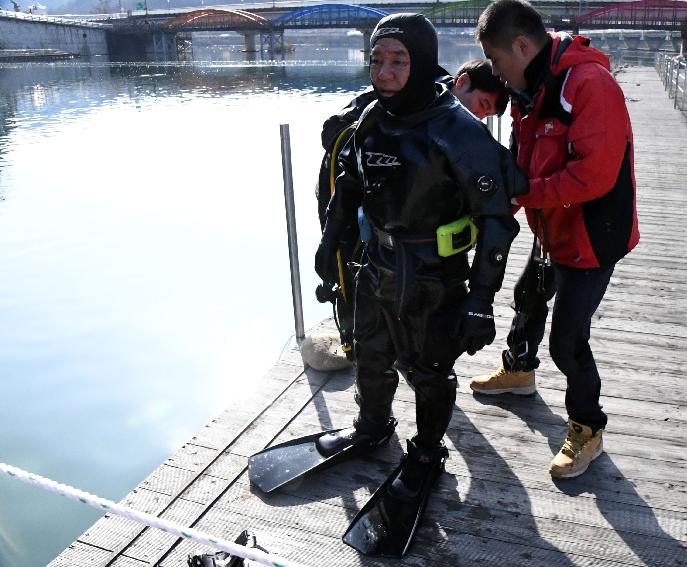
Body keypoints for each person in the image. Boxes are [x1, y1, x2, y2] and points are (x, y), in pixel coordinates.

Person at [249, 13, 526, 557]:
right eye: (377, 60)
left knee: (429, 370)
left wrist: (480, 302)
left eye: (398, 61)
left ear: (420, 62)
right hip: (375, 264)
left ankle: (425, 453)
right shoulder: (371, 120)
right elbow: (347, 188)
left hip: (432, 277)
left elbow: (497, 219)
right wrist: (331, 244)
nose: (385, 71)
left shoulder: (457, 131)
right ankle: (372, 426)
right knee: (371, 354)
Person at [470, 0, 639, 480]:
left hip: (591, 236)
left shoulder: (588, 85)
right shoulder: (532, 89)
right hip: (553, 228)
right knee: (528, 296)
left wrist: (524, 193)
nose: (496, 74)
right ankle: (520, 372)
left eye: (497, 61)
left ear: (521, 46)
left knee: (568, 342)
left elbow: (594, 176)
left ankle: (588, 427)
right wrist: (498, 201)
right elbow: (524, 166)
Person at [314, 60, 510, 358]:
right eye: (481, 104)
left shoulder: (460, 130)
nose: (479, 117)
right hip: (355, 200)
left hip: (418, 250)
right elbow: (332, 131)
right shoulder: (412, 91)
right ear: (462, 82)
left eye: (487, 114)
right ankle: (354, 343)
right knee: (350, 270)